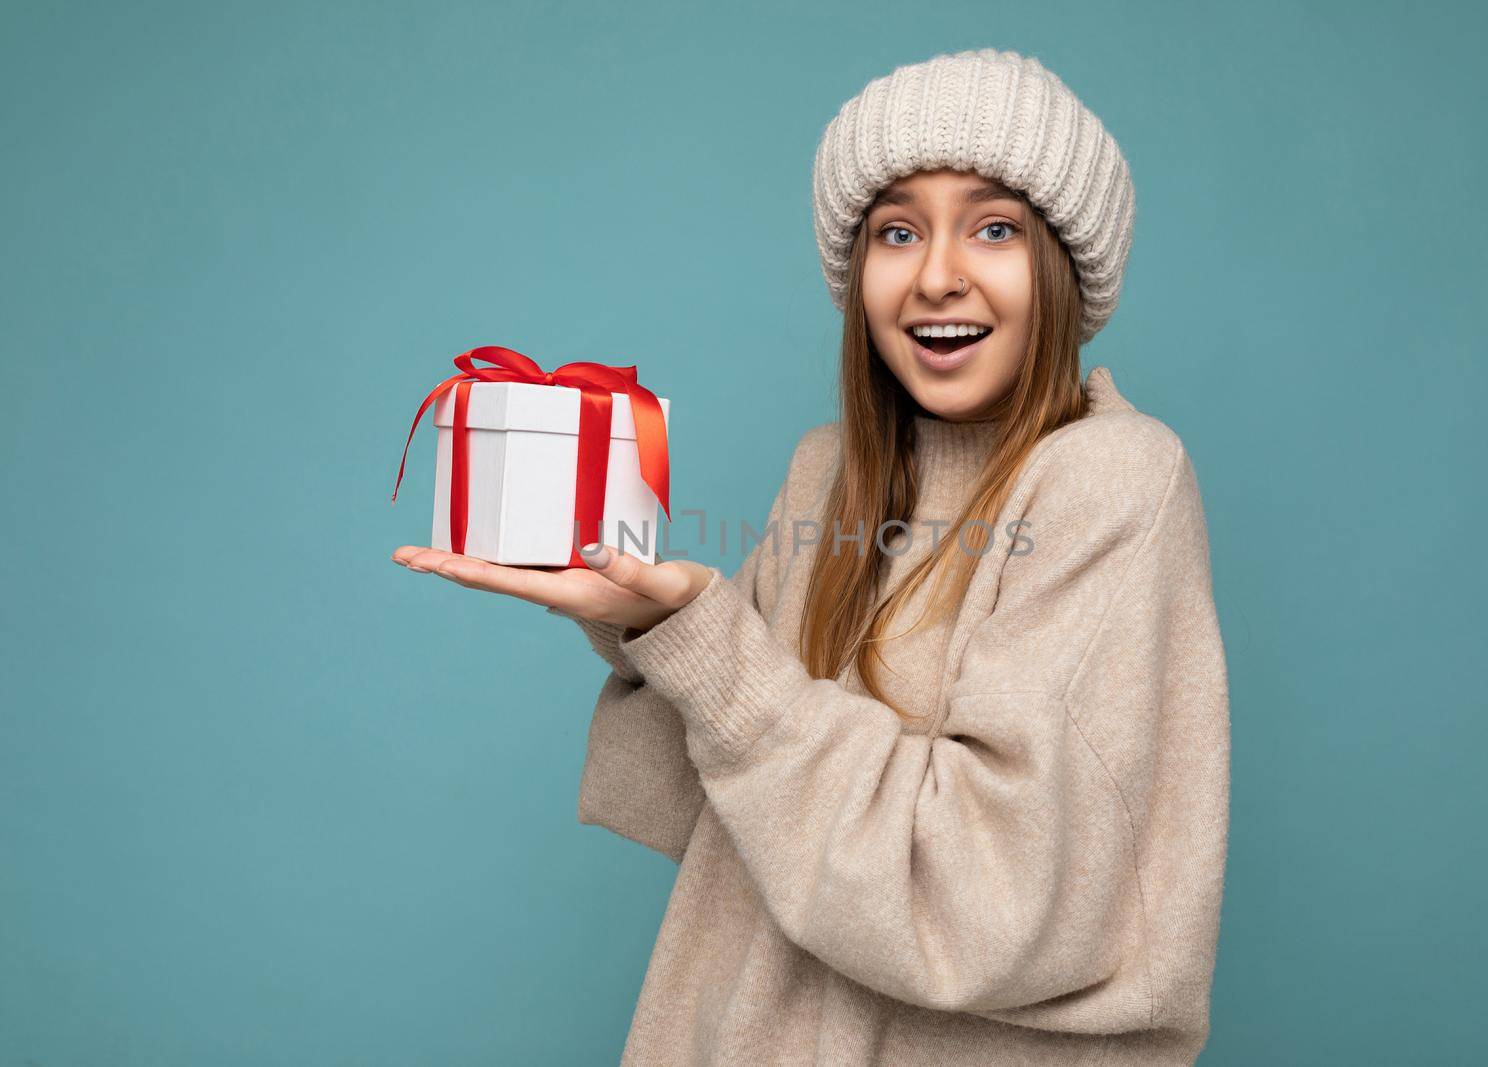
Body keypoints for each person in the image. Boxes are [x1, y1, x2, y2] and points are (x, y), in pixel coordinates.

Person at [393, 47, 1230, 1066]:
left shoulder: (1113, 479)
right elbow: (719, 806)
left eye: (995, 226)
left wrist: (713, 646)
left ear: (1062, 263)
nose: (935, 276)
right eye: (895, 230)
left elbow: (985, 896)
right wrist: (646, 622)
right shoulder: (831, 474)